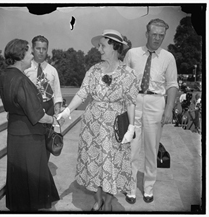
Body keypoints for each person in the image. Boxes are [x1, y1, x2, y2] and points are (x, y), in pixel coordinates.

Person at [57, 29, 139, 211]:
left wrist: (131, 127)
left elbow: (131, 102)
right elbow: (82, 92)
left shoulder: (128, 74)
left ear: (114, 47)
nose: (99, 49)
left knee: (111, 164)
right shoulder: (93, 70)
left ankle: (109, 202)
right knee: (95, 163)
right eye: (99, 46)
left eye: (102, 45)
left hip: (115, 128)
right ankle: (98, 199)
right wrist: (67, 110)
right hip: (92, 127)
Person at [0, 38, 60, 211]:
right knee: (32, 172)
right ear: (20, 55)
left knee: (18, 173)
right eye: (29, 52)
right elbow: (38, 115)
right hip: (29, 135)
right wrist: (53, 119)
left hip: (14, 132)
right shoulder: (22, 80)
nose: (32, 55)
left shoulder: (4, 75)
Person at [123, 18, 178, 204]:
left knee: (152, 149)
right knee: (132, 148)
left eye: (161, 36)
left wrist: (169, 108)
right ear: (147, 34)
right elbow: (123, 82)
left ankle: (148, 188)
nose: (157, 38)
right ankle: (130, 188)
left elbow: (172, 85)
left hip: (156, 102)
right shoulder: (132, 54)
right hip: (134, 101)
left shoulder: (168, 57)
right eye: (154, 34)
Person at [24, 35, 63, 160]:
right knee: (32, 141)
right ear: (33, 49)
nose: (41, 52)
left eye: (44, 49)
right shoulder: (26, 69)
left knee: (47, 140)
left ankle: (43, 166)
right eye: (38, 48)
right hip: (31, 108)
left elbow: (57, 94)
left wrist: (57, 117)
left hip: (48, 107)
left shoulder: (52, 70)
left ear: (47, 50)